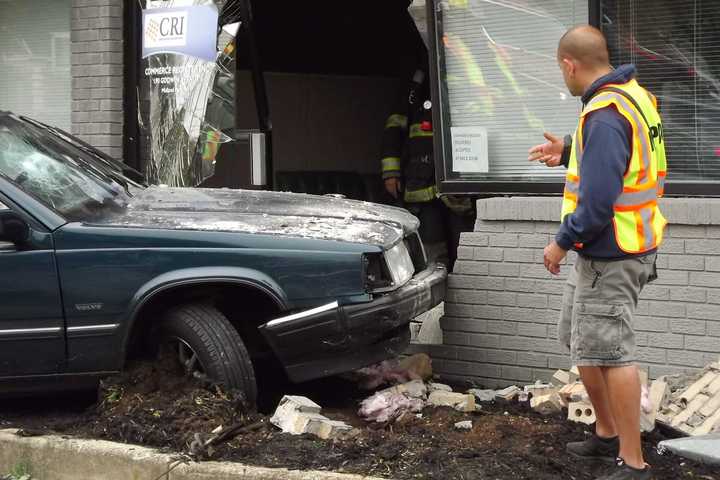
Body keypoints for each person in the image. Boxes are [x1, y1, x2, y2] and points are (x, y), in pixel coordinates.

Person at [529, 26, 667, 480]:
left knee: (613, 354)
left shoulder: (605, 114)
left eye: (560, 69)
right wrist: (569, 149)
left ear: (570, 64)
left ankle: (633, 462)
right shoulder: (632, 95)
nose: (563, 77)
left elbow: (597, 205)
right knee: (585, 344)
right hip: (616, 247)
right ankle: (606, 432)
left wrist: (559, 242)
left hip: (610, 252)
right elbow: (618, 154)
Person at [380, 68, 475, 270]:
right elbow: (394, 130)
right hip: (421, 186)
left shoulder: (471, 80)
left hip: (458, 188)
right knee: (431, 251)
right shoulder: (417, 85)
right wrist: (391, 172)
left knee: (464, 249)